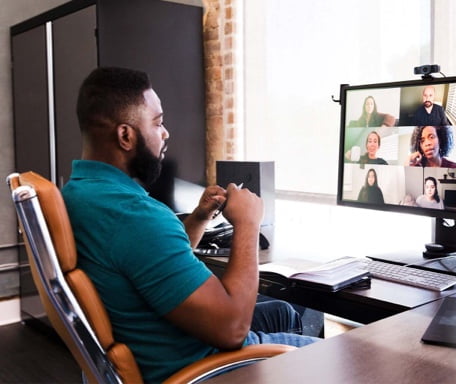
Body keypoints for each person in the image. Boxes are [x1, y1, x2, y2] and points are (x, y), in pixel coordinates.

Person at [61, 67, 318, 383]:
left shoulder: (79, 193)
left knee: (283, 313)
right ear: (125, 135)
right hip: (203, 368)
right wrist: (249, 223)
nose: (165, 133)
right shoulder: (136, 216)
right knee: (350, 356)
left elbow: (144, 264)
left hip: (157, 344)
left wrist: (198, 218)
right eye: (157, 123)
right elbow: (232, 329)